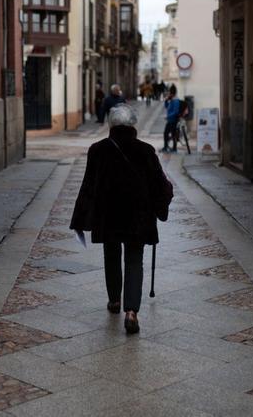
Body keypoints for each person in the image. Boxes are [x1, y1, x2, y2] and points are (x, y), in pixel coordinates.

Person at [70, 104, 173, 334]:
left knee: (112, 254)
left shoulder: (97, 150)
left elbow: (88, 185)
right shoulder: (145, 150)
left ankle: (115, 301)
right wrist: (167, 194)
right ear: (133, 124)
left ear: (111, 125)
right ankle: (131, 312)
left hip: (108, 215)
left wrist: (80, 218)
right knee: (135, 259)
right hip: (138, 216)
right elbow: (159, 184)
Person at [162, 85, 182, 153]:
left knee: (172, 134)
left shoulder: (176, 101)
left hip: (173, 120)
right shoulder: (171, 100)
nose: (168, 94)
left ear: (172, 93)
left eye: (169, 93)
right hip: (170, 120)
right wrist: (166, 100)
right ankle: (166, 147)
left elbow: (175, 112)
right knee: (167, 133)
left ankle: (173, 148)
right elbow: (166, 106)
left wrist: (168, 116)